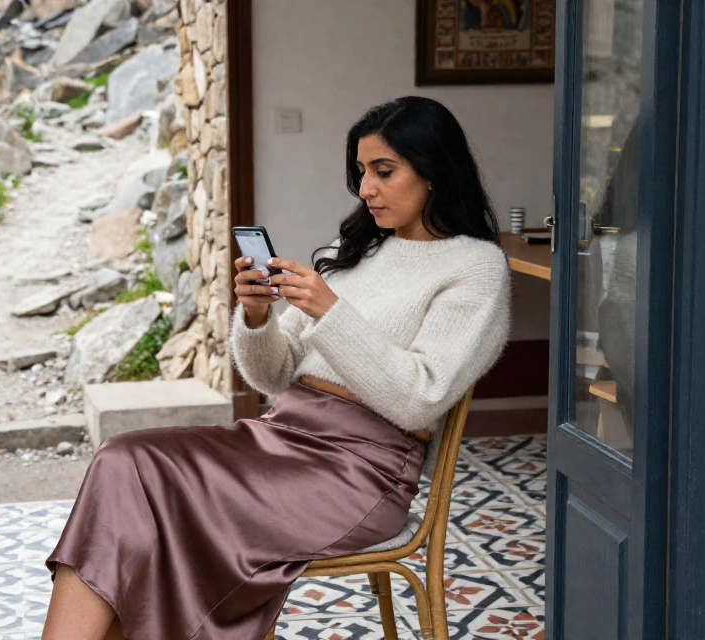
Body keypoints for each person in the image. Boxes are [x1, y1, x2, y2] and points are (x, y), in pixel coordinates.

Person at [42, 96, 512, 640]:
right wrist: (258, 316)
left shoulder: (475, 268)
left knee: (144, 488)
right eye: (361, 171)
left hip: (358, 473)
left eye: (384, 171)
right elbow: (273, 375)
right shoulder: (356, 250)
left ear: (434, 171)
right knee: (123, 460)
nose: (366, 189)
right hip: (279, 440)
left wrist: (330, 312)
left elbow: (420, 398)